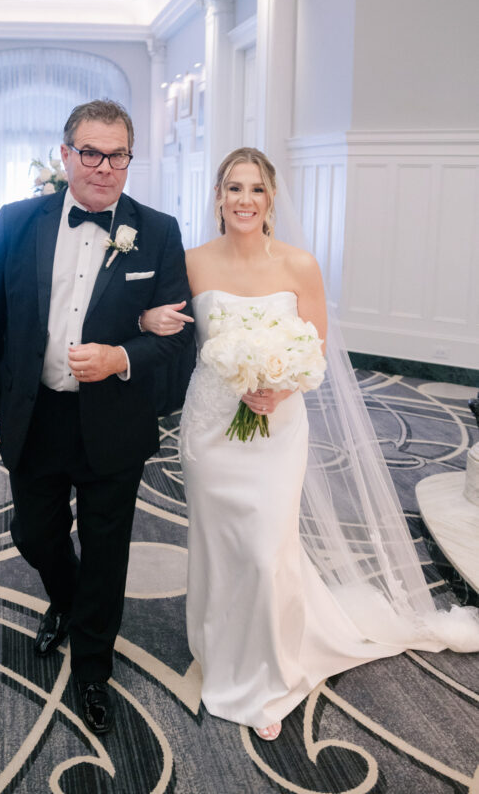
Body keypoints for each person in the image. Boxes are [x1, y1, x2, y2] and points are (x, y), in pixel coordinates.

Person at [140, 146, 479, 742]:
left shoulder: (299, 264)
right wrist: (146, 323)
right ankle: (220, 653)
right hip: (210, 428)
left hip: (276, 427)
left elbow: (315, 351)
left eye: (256, 190)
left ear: (271, 201)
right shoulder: (191, 262)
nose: (244, 200)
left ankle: (270, 676)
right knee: (220, 546)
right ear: (218, 197)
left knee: (268, 549)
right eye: (233, 188)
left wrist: (278, 385)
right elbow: (156, 324)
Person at [0, 99, 194, 737]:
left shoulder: (159, 230)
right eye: (89, 152)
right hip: (34, 414)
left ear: (129, 159)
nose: (103, 167)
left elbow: (178, 338)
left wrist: (121, 354)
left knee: (108, 546)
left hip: (112, 420)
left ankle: (94, 666)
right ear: (65, 156)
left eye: (117, 155)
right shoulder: (17, 221)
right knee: (34, 535)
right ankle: (66, 602)